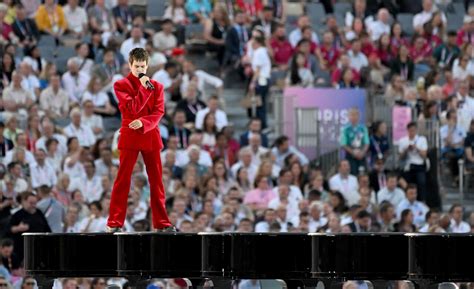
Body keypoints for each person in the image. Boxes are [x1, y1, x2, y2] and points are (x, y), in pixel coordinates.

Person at [106, 48, 175, 233]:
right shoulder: (121, 85)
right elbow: (132, 108)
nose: (140, 70)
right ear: (130, 65)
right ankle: (114, 222)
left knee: (156, 180)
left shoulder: (158, 87)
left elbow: (159, 111)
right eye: (136, 66)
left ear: (148, 65)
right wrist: (144, 89)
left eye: (143, 66)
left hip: (150, 133)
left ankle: (162, 222)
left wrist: (144, 123)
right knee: (123, 179)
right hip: (130, 134)